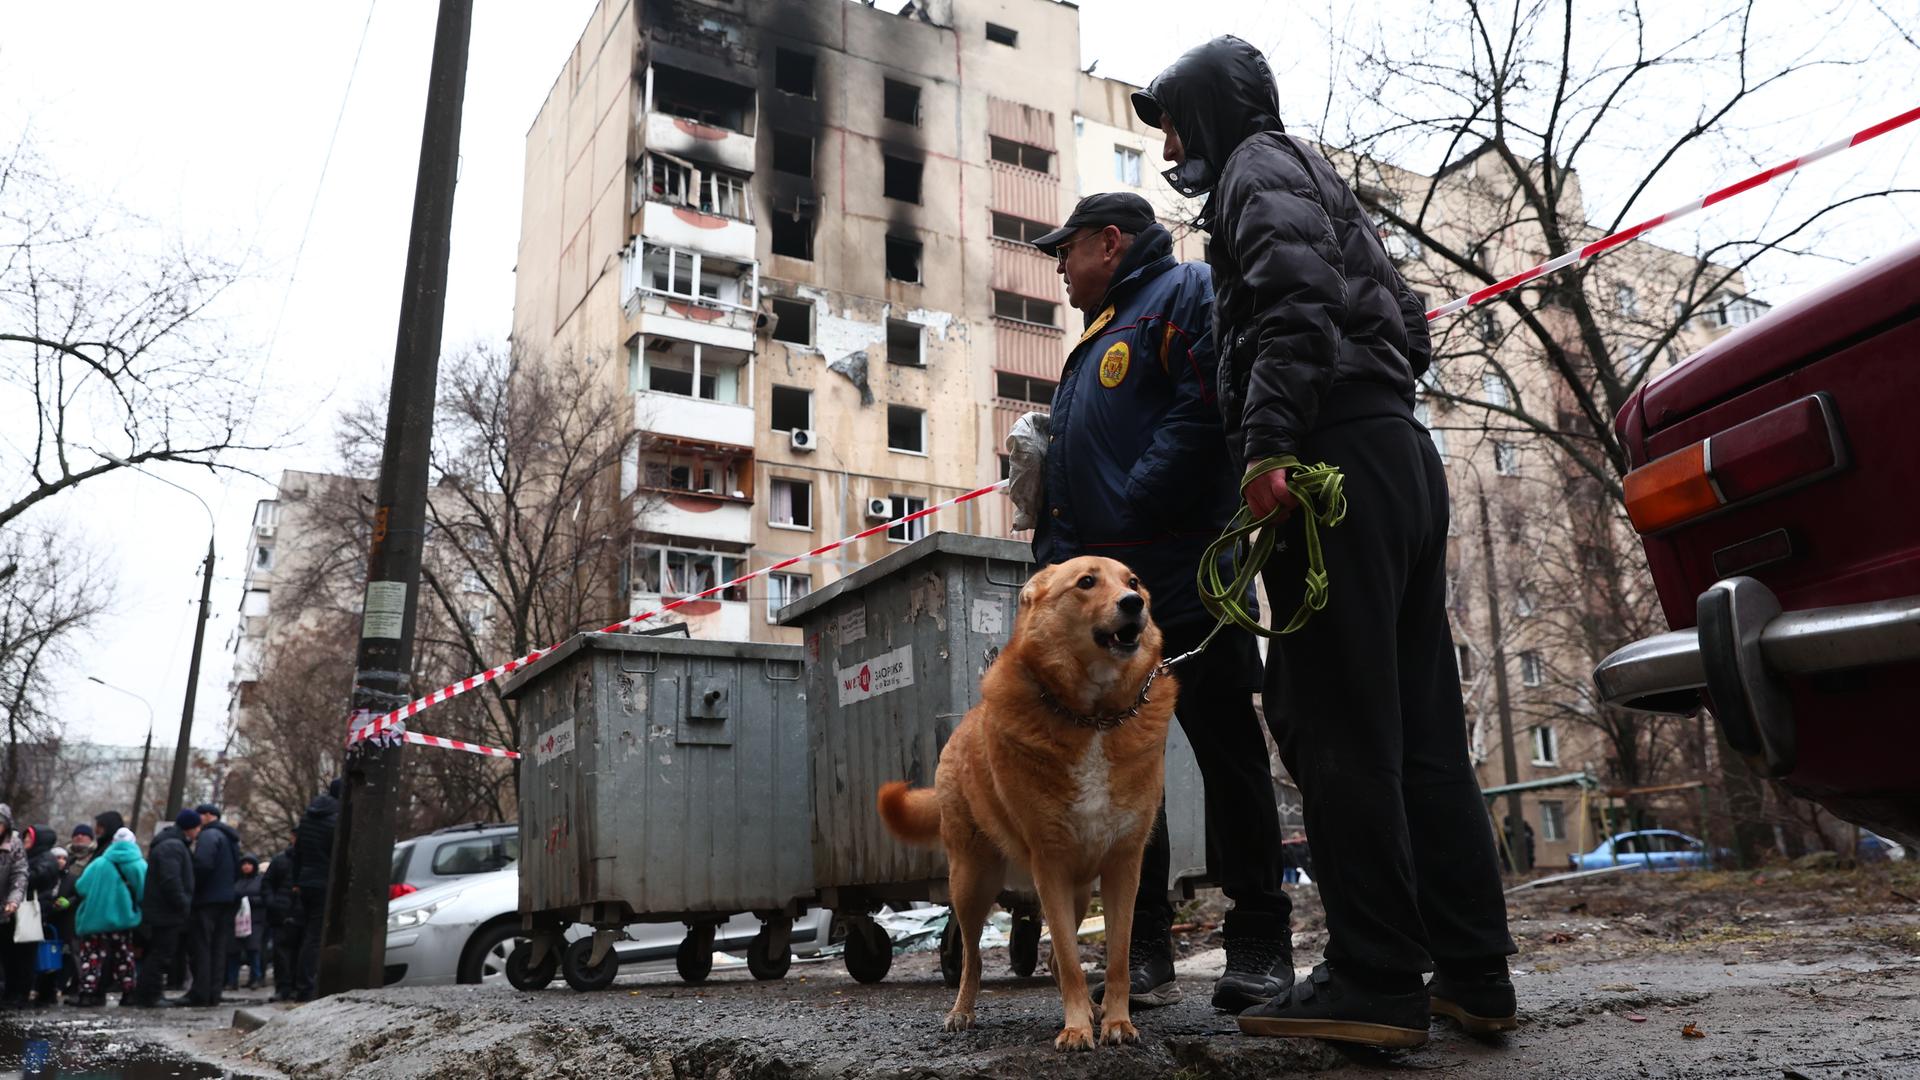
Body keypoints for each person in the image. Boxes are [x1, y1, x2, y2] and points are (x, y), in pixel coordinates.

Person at [1134, 36, 1517, 1046]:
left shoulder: (1257, 170)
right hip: (1394, 449)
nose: (1170, 144)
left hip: (1329, 459)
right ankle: (1473, 971)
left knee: (1328, 715)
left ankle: (1376, 976)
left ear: (1212, 112)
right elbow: (1410, 322)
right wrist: (1364, 396)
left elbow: (1300, 301)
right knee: (1423, 729)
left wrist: (1268, 443)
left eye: (1174, 120)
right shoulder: (1317, 174)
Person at [1024, 191, 1295, 1013]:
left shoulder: (1184, 293)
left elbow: (1205, 404)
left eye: (1065, 251)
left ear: (1111, 242)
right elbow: (1078, 476)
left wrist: (1138, 497)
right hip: (1108, 605)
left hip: (1185, 574)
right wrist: (1055, 557)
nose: (1060, 269)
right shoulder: (1097, 336)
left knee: (1228, 754)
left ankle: (1258, 945)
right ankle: (1141, 951)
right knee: (1122, 772)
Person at [127, 810, 197, 1008]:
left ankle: (148, 993)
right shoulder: (173, 846)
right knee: (160, 954)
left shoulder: (168, 844)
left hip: (162, 910)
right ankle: (151, 995)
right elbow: (171, 879)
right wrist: (183, 903)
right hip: (166, 912)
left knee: (159, 953)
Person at [71, 827, 145, 1007]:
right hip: (123, 920)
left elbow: (81, 887)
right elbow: (143, 892)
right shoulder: (139, 864)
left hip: (93, 920)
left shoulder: (98, 863)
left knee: (91, 956)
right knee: (124, 955)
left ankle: (87, 993)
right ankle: (129, 993)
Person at [185, 803, 241, 1007]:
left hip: (208, 899)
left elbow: (203, 865)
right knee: (219, 948)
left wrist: (193, 888)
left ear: (208, 816)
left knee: (202, 946)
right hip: (226, 898)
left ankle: (201, 992)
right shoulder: (230, 838)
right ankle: (213, 992)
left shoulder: (209, 836)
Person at [290, 781, 341, 1001]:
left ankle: (302, 983)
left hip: (306, 881)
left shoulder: (308, 818)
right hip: (323, 883)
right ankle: (308, 986)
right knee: (315, 936)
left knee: (307, 935)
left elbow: (298, 852)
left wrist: (296, 880)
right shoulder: (336, 819)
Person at [18, 824, 62, 1006]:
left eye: (30, 838)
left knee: (26, 957)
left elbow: (34, 879)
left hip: (34, 912)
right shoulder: (31, 857)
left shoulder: (45, 860)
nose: (26, 841)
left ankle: (24, 993)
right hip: (27, 911)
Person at [54, 824, 98, 1003]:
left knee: (76, 951)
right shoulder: (64, 857)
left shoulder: (93, 858)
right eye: (76, 834)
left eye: (84, 835)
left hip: (81, 911)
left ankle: (78, 985)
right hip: (61, 912)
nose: (80, 837)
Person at [261, 836, 298, 1002]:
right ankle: (284, 988)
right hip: (282, 914)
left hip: (298, 913)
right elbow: (267, 884)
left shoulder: (305, 860)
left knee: (296, 954)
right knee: (281, 954)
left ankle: (293, 987)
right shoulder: (280, 860)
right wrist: (273, 904)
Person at [0, 807, 29, 1006]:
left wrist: (13, 900)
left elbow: (20, 874)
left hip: (4, 908)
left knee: (5, 953)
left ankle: (8, 992)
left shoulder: (15, 845)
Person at [228, 854, 265, 990]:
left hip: (254, 920)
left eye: (249, 864)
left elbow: (264, 898)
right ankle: (232, 981)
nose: (246, 866)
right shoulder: (237, 881)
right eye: (244, 864)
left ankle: (255, 978)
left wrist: (249, 900)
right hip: (237, 921)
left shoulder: (260, 881)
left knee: (253, 951)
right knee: (233, 952)